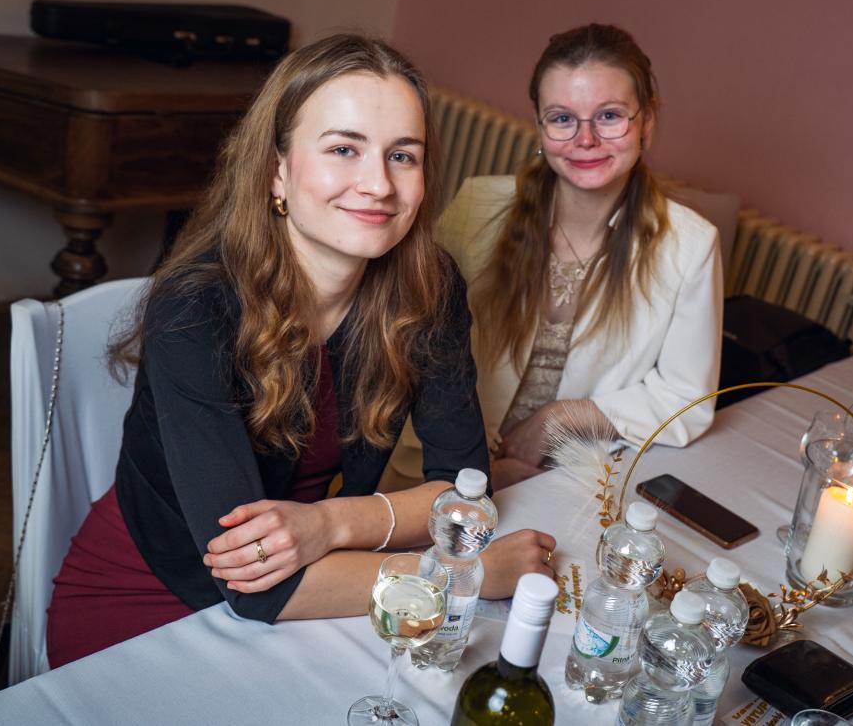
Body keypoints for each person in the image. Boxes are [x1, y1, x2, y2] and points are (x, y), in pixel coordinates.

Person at [46, 34, 555, 667]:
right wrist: (459, 574)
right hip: (148, 594)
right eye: (344, 149)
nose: (378, 184)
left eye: (403, 155)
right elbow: (257, 585)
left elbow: (464, 495)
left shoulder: (429, 285)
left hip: (322, 568)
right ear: (276, 170)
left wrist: (330, 524)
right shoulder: (195, 307)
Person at [388, 23, 724, 491]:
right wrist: (480, 470)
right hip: (439, 471)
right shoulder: (476, 205)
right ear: (540, 124)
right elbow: (409, 351)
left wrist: (564, 417)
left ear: (647, 120)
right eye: (563, 118)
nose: (585, 139)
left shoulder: (691, 245)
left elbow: (687, 398)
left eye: (609, 116)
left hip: (567, 483)